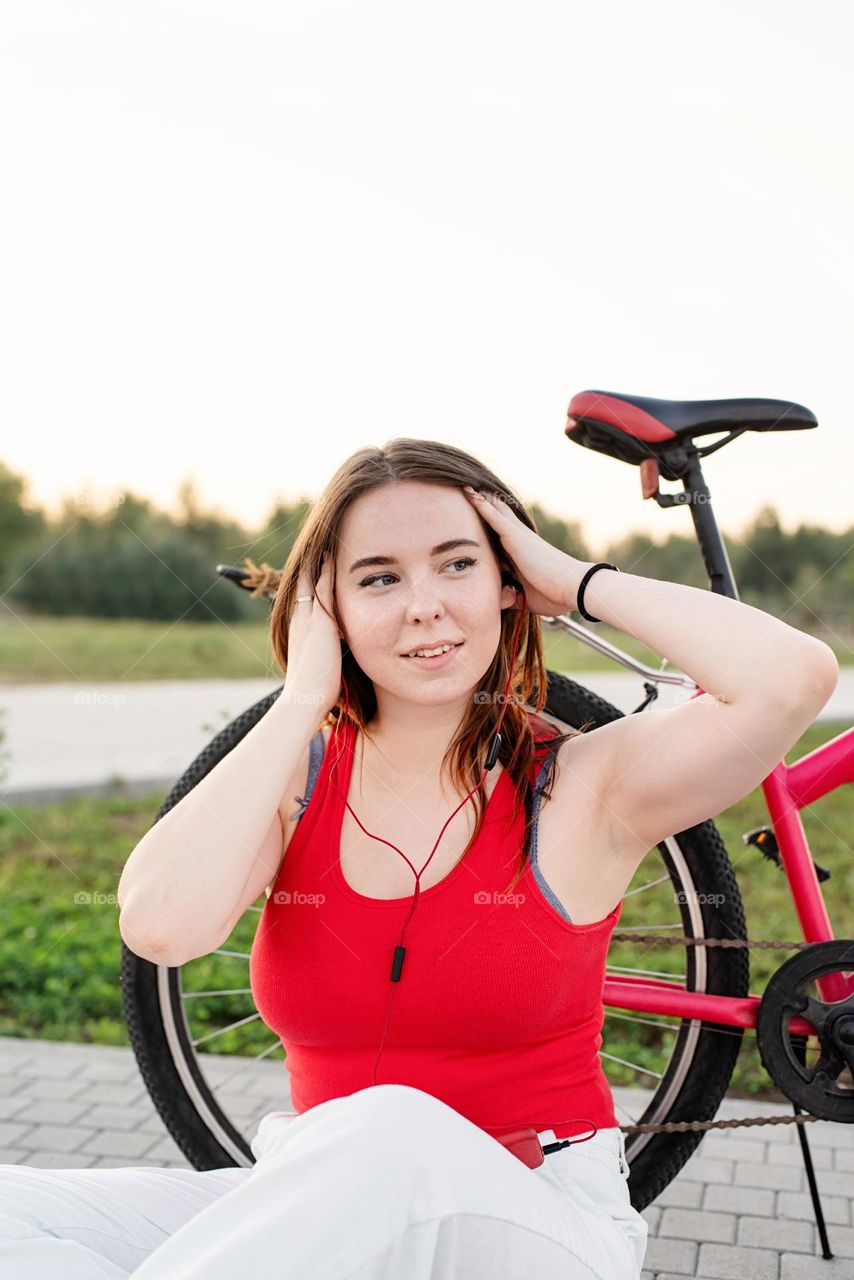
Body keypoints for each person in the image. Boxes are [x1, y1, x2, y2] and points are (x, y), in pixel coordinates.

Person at [0, 438, 838, 1278]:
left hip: (540, 1216)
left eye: (457, 564)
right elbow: (158, 925)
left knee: (392, 1129)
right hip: (324, 1198)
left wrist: (573, 579)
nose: (424, 606)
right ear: (327, 608)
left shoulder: (585, 786)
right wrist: (301, 699)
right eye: (379, 578)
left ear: (509, 582)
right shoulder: (296, 782)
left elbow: (792, 677)